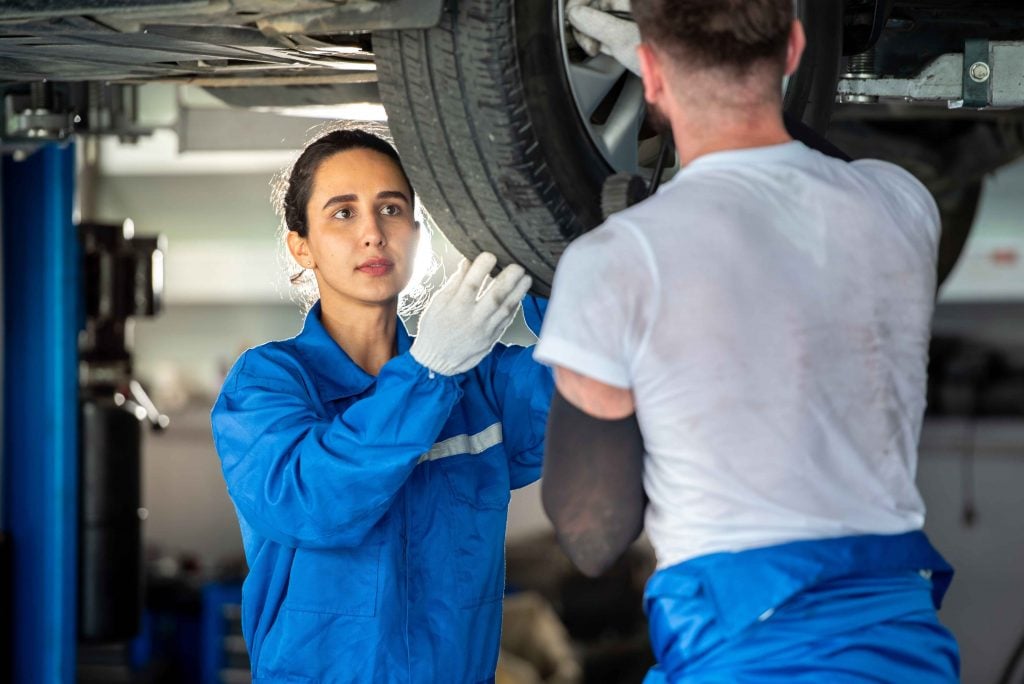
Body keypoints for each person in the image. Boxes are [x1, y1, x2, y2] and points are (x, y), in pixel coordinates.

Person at [534, 1, 960, 681]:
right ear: (794, 48)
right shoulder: (901, 207)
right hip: (898, 636)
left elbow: (593, 534)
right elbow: (808, 166)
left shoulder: (619, 262)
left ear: (647, 68)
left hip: (748, 646)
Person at [210, 128, 553, 682]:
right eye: (342, 213)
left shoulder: (478, 384)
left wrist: (539, 241)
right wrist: (428, 375)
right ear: (301, 245)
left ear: (416, 234)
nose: (372, 233)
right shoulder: (267, 384)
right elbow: (312, 501)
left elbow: (594, 381)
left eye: (390, 209)